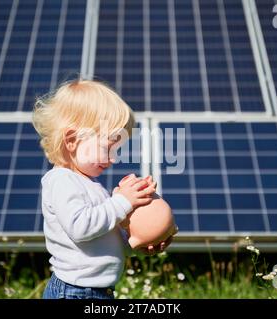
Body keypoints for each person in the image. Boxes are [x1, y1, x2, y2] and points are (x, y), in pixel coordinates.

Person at [32, 78, 172, 299]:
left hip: (96, 292)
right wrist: (123, 202)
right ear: (71, 140)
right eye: (108, 148)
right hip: (74, 292)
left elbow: (102, 239)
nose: (113, 159)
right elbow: (80, 228)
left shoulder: (90, 185)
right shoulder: (61, 180)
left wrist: (136, 241)